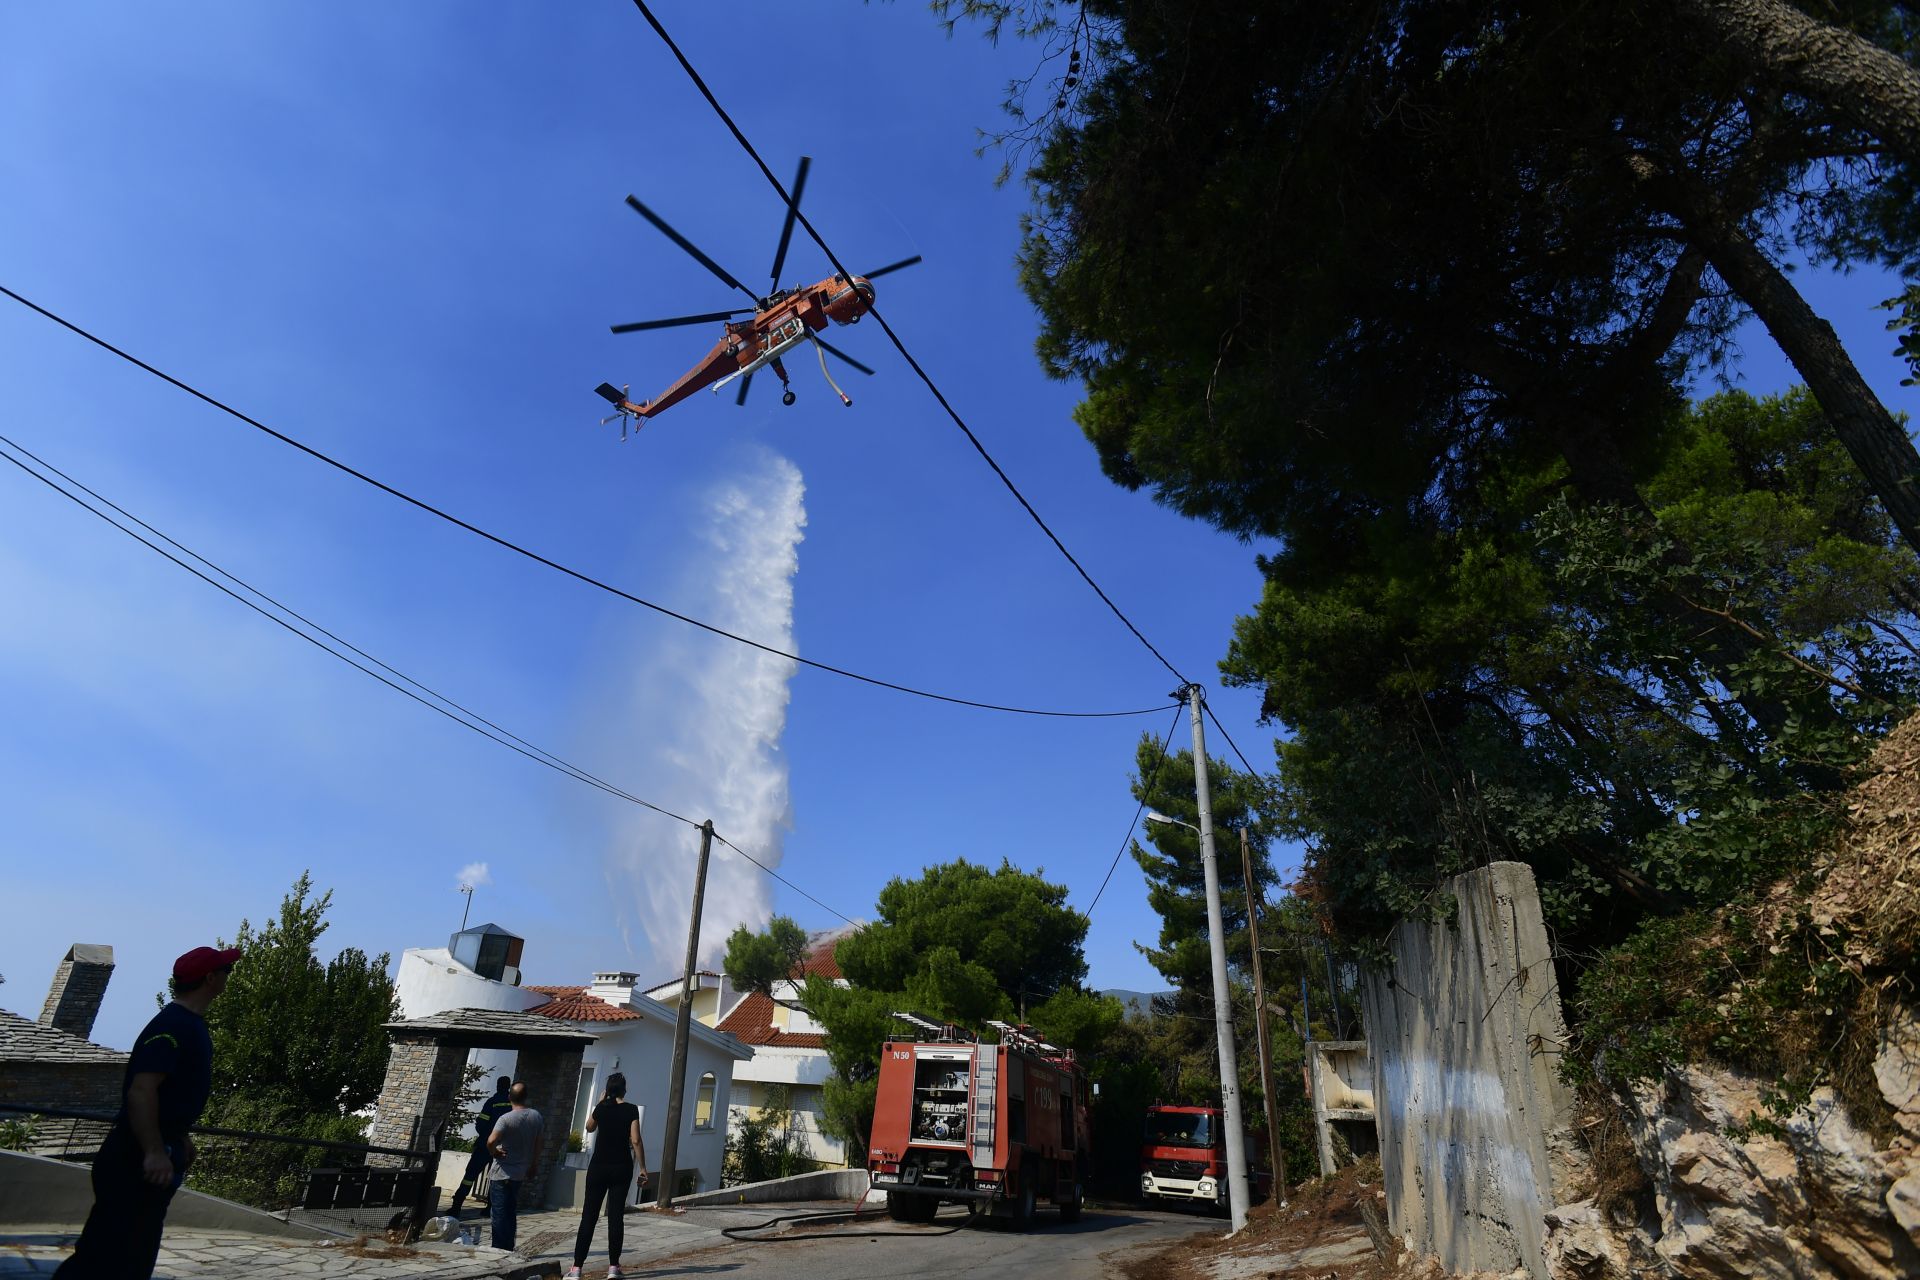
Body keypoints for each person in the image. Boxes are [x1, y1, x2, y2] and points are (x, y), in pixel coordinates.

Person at [55, 944, 238, 1279]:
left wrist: (180, 1136)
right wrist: (154, 1151)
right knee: (109, 1255)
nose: (230, 975)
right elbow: (142, 1091)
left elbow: (170, 1093)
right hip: (134, 1159)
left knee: (131, 1250)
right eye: (227, 970)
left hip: (157, 1148)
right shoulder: (174, 1026)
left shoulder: (188, 1024)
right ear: (210, 978)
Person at [566, 1072, 647, 1280]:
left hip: (599, 1167)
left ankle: (576, 1268)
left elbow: (589, 1127)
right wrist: (643, 1168)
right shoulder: (631, 1110)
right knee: (616, 1217)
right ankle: (613, 1268)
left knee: (589, 1217)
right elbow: (636, 1140)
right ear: (624, 1089)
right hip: (621, 1167)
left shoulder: (602, 1108)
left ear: (608, 1089)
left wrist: (600, 1103)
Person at [485, 1081, 544, 1252]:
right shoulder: (536, 1116)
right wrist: (534, 1164)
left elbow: (490, 1140)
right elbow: (539, 1143)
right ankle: (509, 1248)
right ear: (526, 1097)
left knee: (499, 1214)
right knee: (511, 1213)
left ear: (509, 1097)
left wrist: (494, 1152)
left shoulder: (506, 1119)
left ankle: (498, 1248)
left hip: (501, 1172)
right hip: (520, 1172)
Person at [448, 1075, 513, 1216]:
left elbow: (481, 1124)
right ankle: (490, 1208)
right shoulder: (513, 1105)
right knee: (496, 1179)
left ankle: (456, 1206)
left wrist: (486, 1137)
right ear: (508, 1086)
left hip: (485, 1146)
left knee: (469, 1176)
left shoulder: (492, 1102)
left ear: (498, 1085)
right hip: (502, 1148)